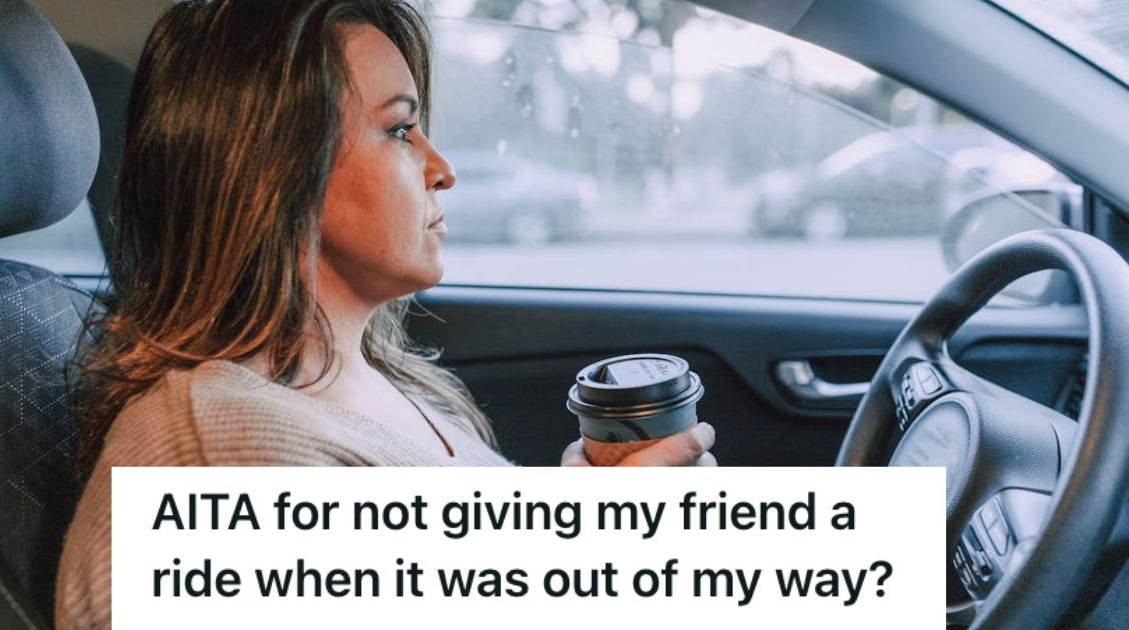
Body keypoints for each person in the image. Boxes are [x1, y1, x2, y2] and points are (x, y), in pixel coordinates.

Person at [55, 1, 715, 627]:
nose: (444, 169)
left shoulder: (381, 380)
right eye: (400, 129)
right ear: (275, 170)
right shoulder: (217, 457)